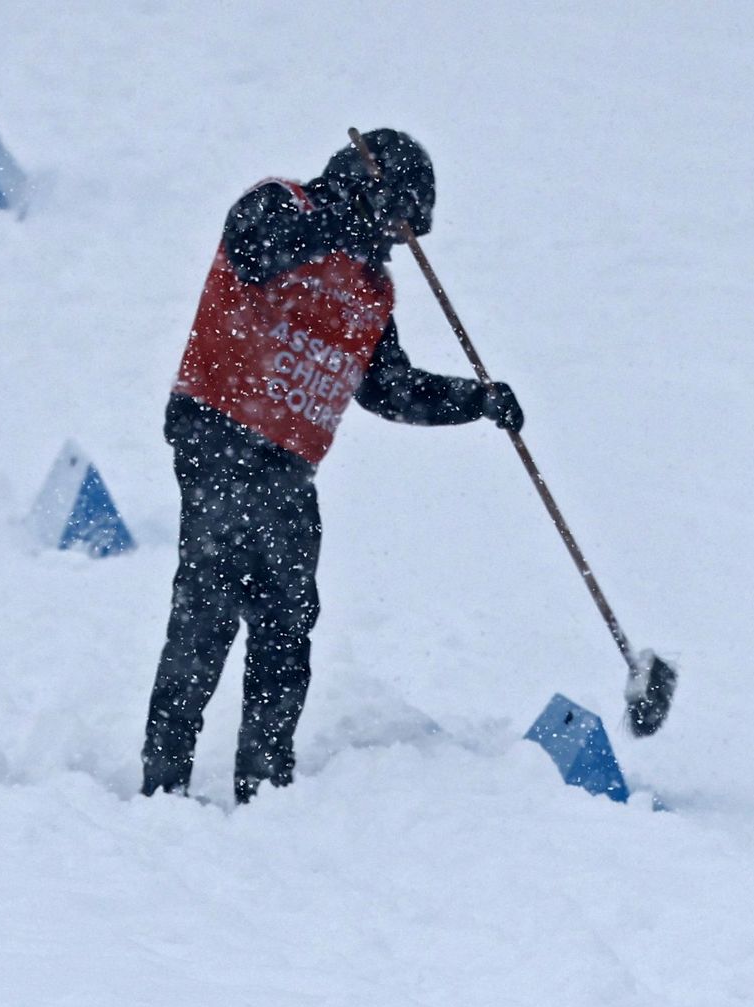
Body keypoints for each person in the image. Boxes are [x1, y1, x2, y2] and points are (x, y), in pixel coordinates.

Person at [139, 130, 524, 805]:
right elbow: (257, 253)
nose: (395, 243)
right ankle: (162, 783)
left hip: (287, 466)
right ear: (369, 190)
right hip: (220, 435)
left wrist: (476, 400)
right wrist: (345, 218)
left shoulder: (372, 290)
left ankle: (265, 784)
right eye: (396, 223)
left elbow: (389, 389)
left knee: (287, 621)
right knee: (209, 610)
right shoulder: (278, 206)